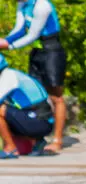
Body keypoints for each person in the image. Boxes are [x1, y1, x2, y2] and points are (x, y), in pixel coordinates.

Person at [0, 0, 66, 152]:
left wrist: (10, 46)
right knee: (36, 96)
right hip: (37, 53)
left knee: (56, 96)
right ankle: (38, 140)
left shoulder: (42, 5)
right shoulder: (22, 4)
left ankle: (57, 140)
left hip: (52, 51)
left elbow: (33, 34)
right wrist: (6, 40)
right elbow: (20, 29)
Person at [0, 54, 55, 159]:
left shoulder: (7, 78)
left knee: (1, 110)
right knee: (9, 111)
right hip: (44, 120)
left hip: (40, 120)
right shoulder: (13, 74)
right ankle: (38, 142)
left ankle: (10, 148)